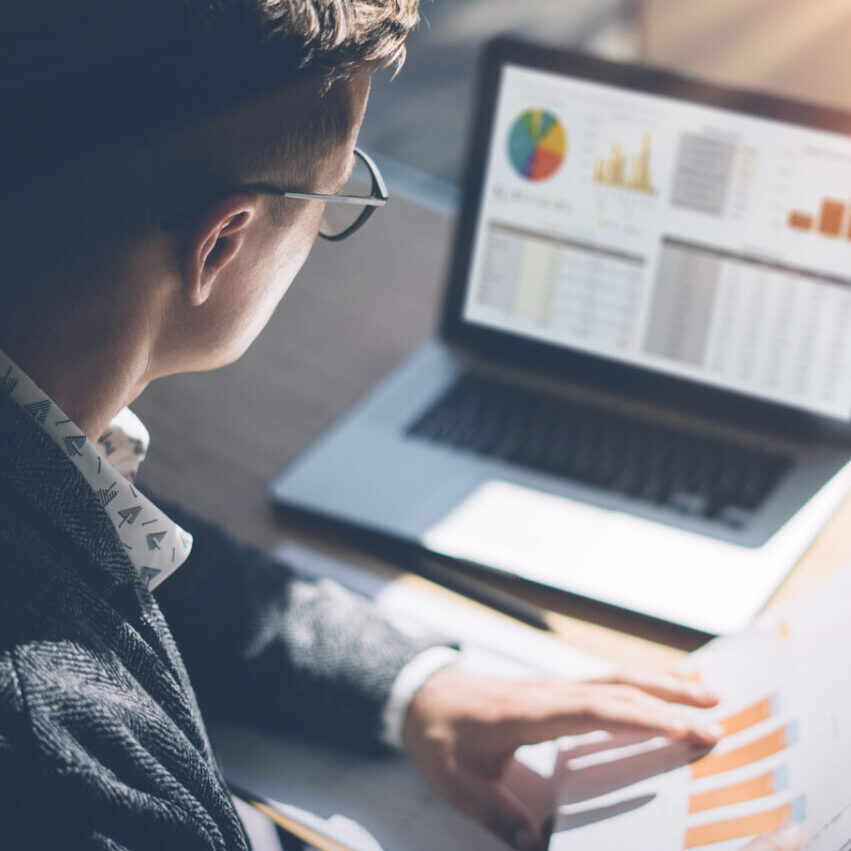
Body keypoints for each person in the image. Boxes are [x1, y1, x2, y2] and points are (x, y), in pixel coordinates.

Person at [0, 2, 803, 849]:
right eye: (334, 191)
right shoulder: (70, 767)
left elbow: (94, 554)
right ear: (220, 244)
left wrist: (409, 684)